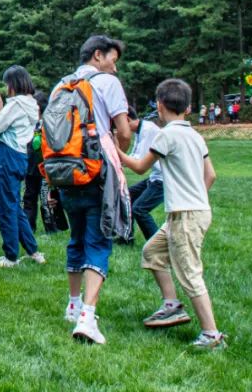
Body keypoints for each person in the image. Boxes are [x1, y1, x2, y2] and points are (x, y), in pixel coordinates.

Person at [119, 78, 226, 350]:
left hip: (186, 215)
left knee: (190, 274)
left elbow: (141, 167)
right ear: (188, 108)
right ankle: (171, 305)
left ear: (159, 105)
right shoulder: (195, 135)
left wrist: (114, 150)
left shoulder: (166, 135)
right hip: (193, 212)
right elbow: (210, 175)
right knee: (152, 253)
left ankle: (212, 335)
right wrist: (197, 198)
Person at [58, 35, 132, 345]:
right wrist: (120, 155)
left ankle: (73, 304)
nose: (115, 68)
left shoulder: (62, 84)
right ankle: (88, 317)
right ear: (98, 56)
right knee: (99, 240)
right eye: (113, 60)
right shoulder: (107, 83)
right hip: (97, 171)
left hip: (64, 171)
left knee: (76, 237)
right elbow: (124, 130)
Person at [0, 65, 45, 268]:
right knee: (15, 204)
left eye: (7, 84)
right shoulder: (32, 104)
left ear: (13, 84)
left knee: (6, 207)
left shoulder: (16, 104)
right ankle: (33, 250)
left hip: (7, 154)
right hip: (21, 155)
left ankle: (10, 255)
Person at [22, 92, 67, 236]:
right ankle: (29, 227)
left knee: (46, 198)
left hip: (45, 167)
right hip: (30, 166)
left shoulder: (48, 123)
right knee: (29, 197)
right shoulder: (29, 123)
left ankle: (51, 228)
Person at [126, 108, 164, 242]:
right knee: (127, 196)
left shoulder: (148, 130)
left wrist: (118, 155)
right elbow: (134, 155)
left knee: (139, 209)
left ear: (127, 119)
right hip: (155, 176)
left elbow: (139, 162)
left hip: (163, 179)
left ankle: (157, 245)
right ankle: (127, 236)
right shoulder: (140, 130)